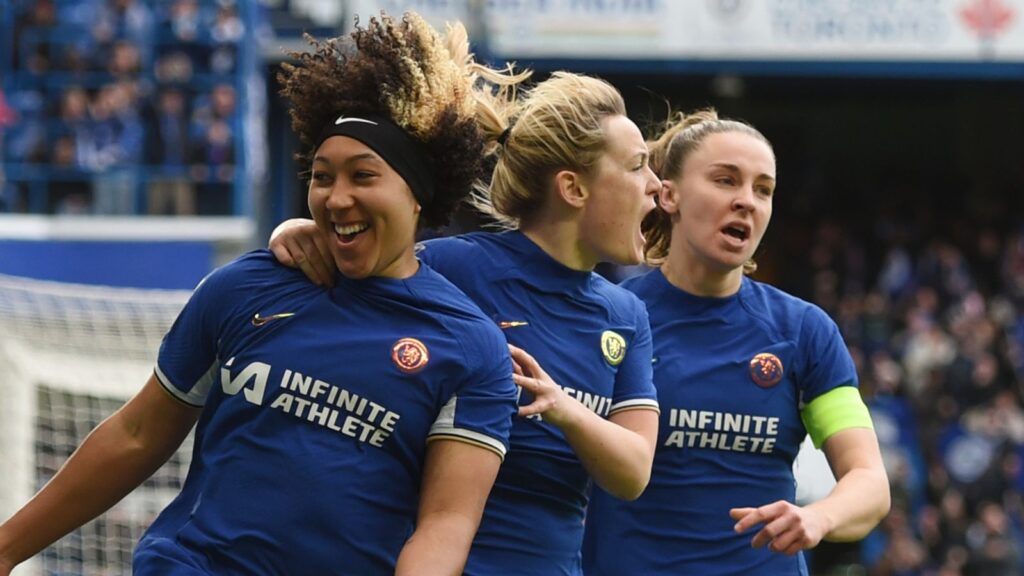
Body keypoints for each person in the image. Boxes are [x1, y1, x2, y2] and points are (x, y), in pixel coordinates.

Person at [0, 13, 520, 576]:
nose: (336, 197)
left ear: (418, 195)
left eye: (363, 176)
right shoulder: (245, 284)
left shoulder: (471, 349)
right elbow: (135, 434)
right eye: (323, 176)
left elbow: (445, 525)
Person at [270, 71, 662, 575]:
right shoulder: (453, 268)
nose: (655, 185)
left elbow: (633, 472)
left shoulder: (625, 314)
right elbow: (354, 264)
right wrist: (301, 231)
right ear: (573, 188)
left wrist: (564, 408)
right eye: (636, 167)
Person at [581, 109, 891, 575]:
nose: (747, 201)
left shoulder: (805, 330)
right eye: (726, 181)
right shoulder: (608, 318)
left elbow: (870, 482)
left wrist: (817, 517)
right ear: (670, 196)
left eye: (762, 189)